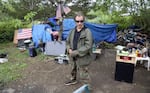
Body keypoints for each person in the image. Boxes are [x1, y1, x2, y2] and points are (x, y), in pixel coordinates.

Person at [65, 12, 93, 88]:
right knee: (72, 68)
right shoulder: (72, 31)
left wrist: (76, 52)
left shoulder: (87, 32)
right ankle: (73, 79)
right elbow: (67, 42)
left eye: (81, 21)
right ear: (75, 22)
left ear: (84, 21)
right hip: (72, 55)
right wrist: (69, 49)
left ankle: (87, 88)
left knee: (83, 73)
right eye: (77, 21)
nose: (79, 23)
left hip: (82, 56)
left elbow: (88, 46)